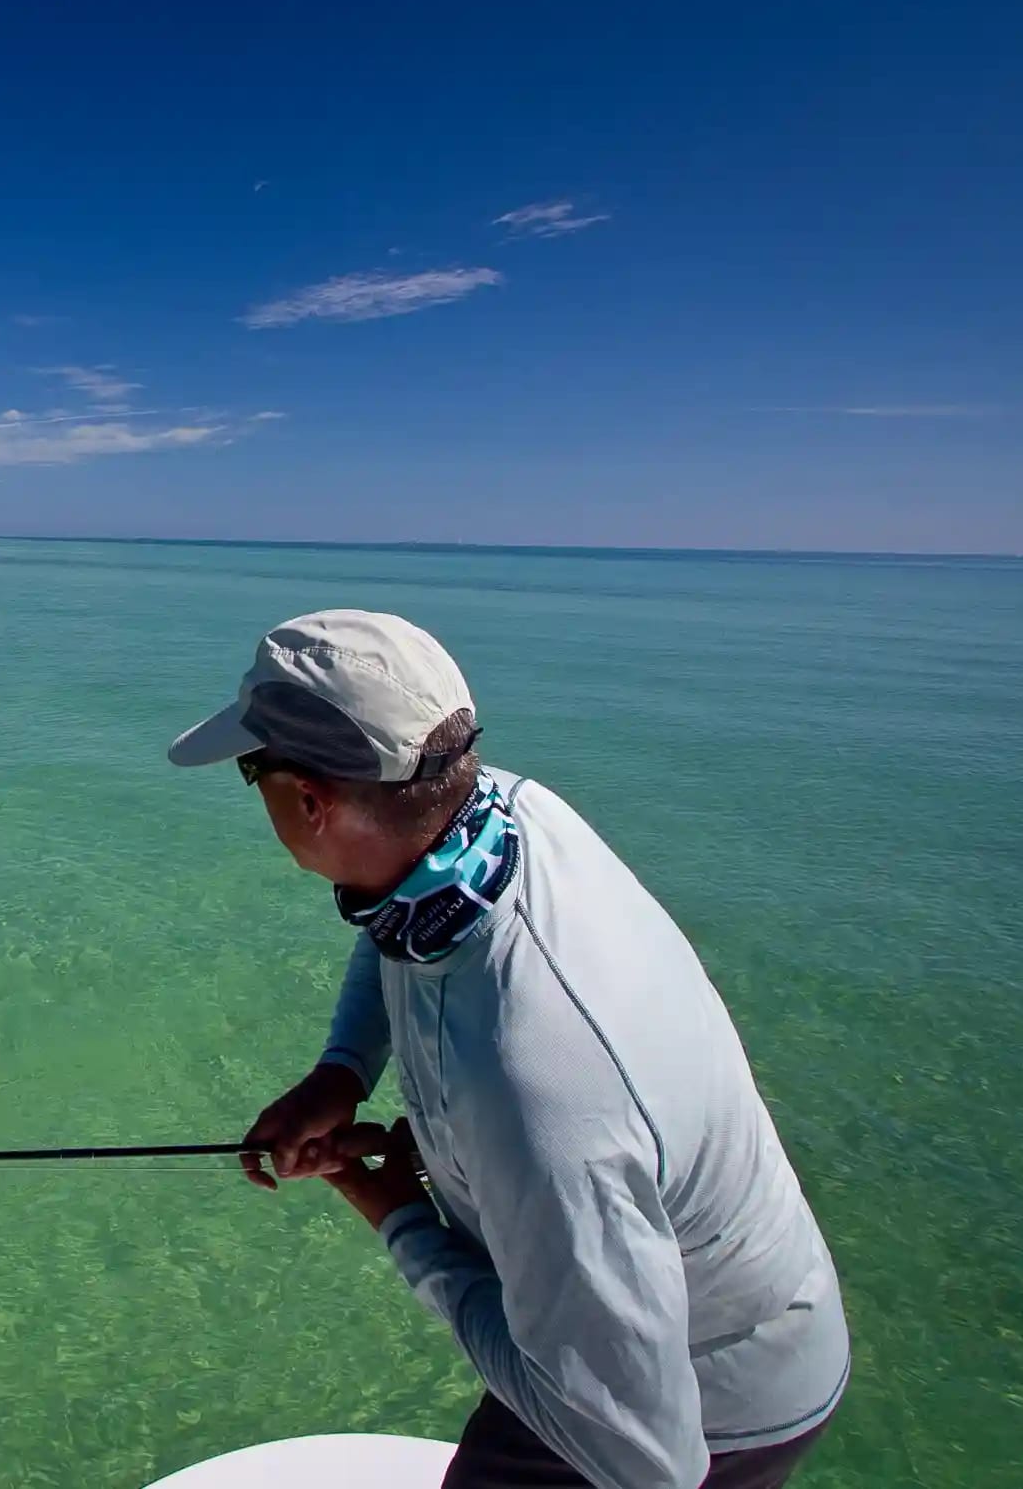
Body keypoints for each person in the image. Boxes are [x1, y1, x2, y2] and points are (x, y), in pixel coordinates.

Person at [168, 610, 849, 1489]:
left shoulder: (536, 1089)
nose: (249, 786)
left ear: (310, 800)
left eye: (251, 769)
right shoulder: (499, 813)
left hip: (711, 1406)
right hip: (645, 1335)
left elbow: (647, 1466)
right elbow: (391, 914)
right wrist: (343, 1069)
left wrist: (400, 1217)